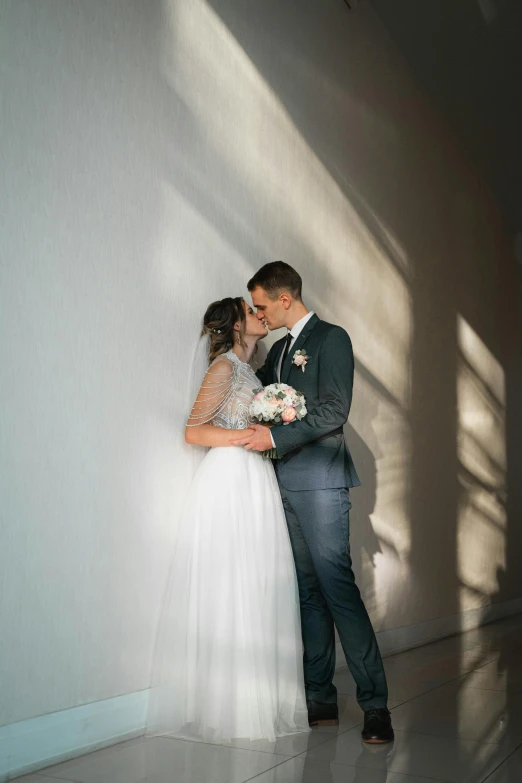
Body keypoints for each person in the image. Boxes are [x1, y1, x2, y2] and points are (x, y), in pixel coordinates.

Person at [231, 261, 394, 744]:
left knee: (337, 587)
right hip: (282, 483)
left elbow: (333, 409)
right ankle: (319, 696)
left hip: (321, 481)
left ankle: (376, 705)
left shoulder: (332, 339)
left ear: (285, 298)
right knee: (307, 591)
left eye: (262, 304)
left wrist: (275, 440)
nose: (260, 312)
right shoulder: (279, 350)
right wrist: (240, 336)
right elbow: (252, 388)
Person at [147, 296, 309, 743]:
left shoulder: (253, 372)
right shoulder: (223, 369)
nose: (259, 314)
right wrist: (248, 436)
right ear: (236, 326)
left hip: (254, 479)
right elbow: (194, 430)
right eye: (249, 309)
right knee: (231, 583)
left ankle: (254, 695)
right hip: (230, 479)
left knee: (257, 583)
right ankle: (227, 705)